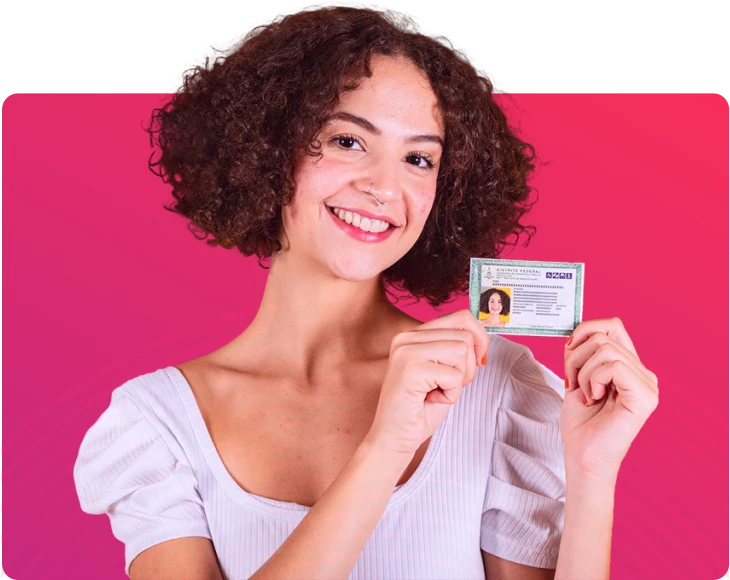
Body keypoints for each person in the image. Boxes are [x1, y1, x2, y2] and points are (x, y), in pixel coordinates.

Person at [73, 3, 659, 579]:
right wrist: (386, 447)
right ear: (268, 151)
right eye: (348, 141)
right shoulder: (158, 425)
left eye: (418, 158)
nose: (384, 186)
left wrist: (592, 472)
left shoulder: (496, 387)